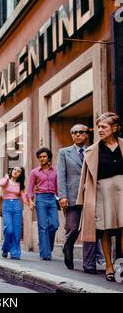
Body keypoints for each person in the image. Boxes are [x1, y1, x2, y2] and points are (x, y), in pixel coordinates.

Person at [76, 112, 123, 282]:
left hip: (122, 191)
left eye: (104, 127)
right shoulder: (92, 151)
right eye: (99, 127)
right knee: (104, 230)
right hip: (102, 192)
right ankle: (109, 266)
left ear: (114, 128)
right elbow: (85, 178)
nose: (100, 130)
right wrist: (83, 200)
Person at [57, 124, 104, 273]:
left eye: (80, 132)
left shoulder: (94, 151)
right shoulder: (64, 152)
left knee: (90, 229)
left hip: (91, 195)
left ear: (86, 135)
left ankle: (89, 264)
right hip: (71, 196)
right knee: (72, 228)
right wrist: (62, 196)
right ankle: (67, 248)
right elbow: (61, 175)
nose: (77, 135)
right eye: (74, 132)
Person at [27, 147, 59, 261]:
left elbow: (58, 187)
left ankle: (47, 246)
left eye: (44, 156)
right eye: (40, 157)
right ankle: (45, 253)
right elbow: (30, 188)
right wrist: (30, 201)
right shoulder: (34, 172)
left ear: (49, 157)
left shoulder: (55, 171)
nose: (42, 159)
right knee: (42, 226)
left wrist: (62, 198)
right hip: (40, 198)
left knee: (54, 225)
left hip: (52, 198)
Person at [0, 167, 28, 260]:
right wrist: (7, 178)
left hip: (16, 205)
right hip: (6, 205)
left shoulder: (20, 184)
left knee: (16, 231)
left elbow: (23, 196)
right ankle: (5, 247)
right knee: (9, 230)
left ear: (20, 174)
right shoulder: (5, 180)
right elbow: (1, 183)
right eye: (15, 170)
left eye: (19, 171)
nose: (16, 172)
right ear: (12, 170)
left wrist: (29, 203)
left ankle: (15, 253)